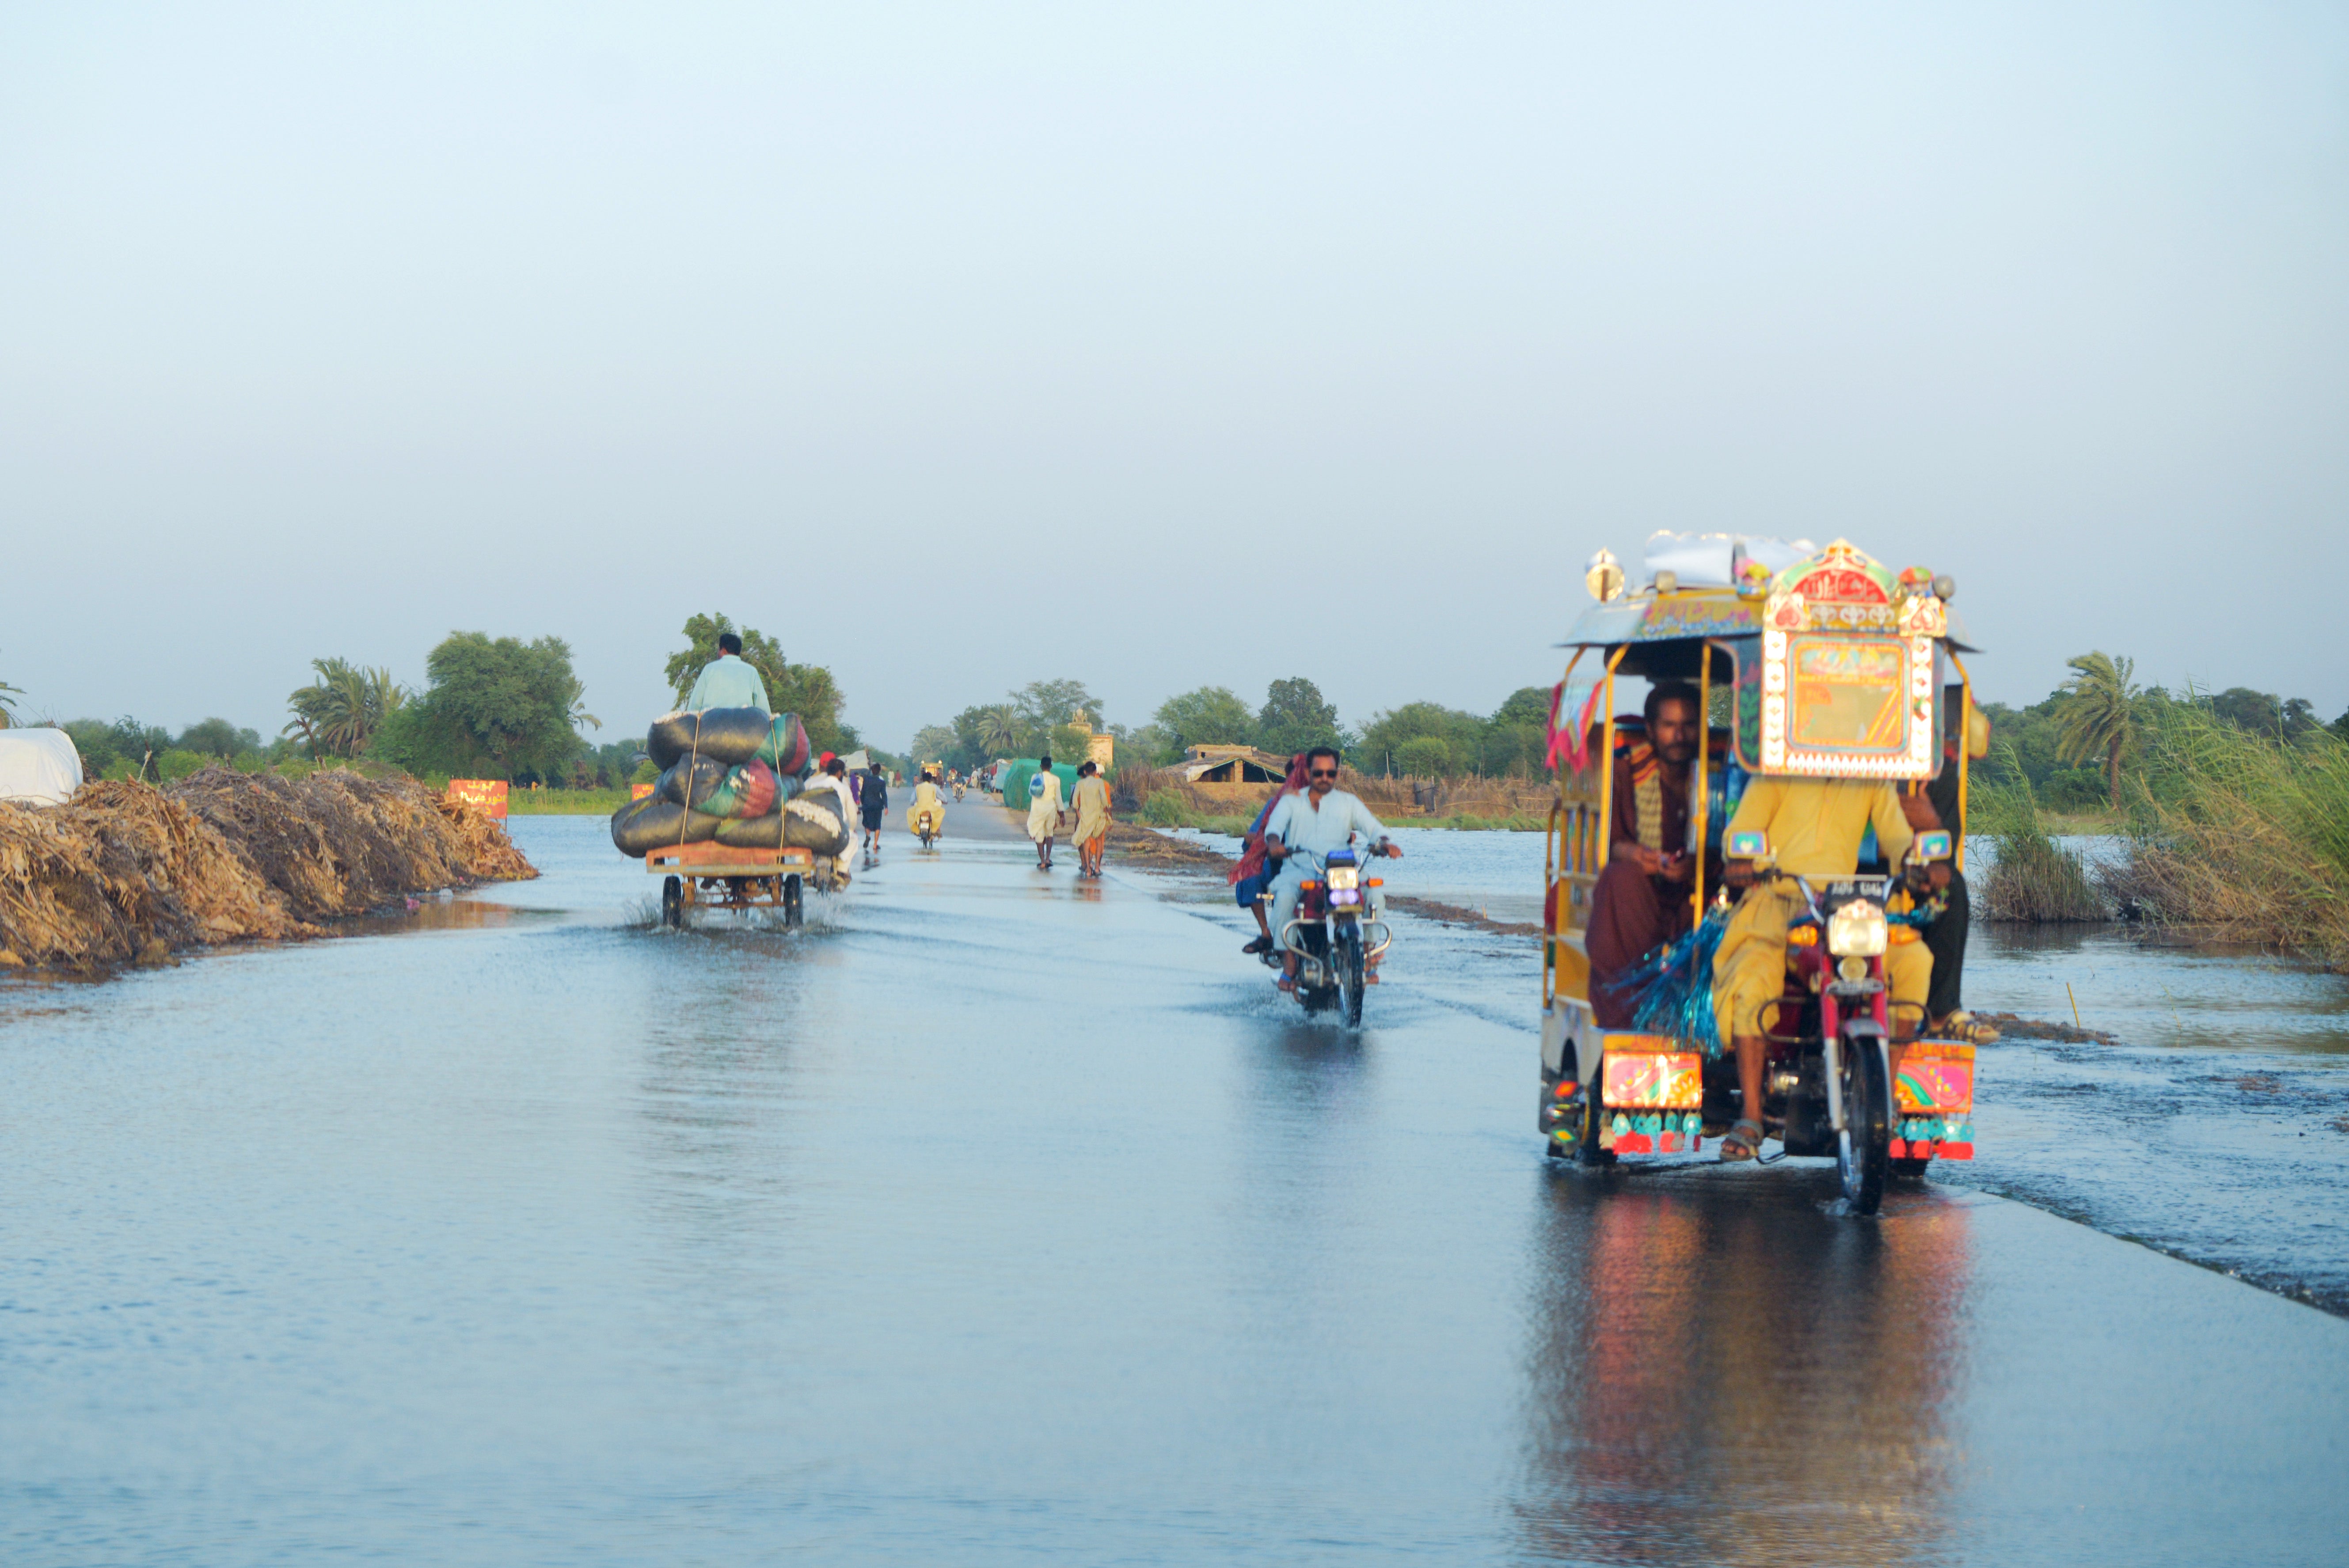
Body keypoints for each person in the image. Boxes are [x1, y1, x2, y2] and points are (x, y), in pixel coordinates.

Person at [1713, 775, 1937, 1162]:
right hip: (1777, 899)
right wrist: (1742, 862)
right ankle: (1751, 1115)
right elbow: (1740, 832)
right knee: (1753, 976)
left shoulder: (1871, 781)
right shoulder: (1775, 775)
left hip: (1843, 907)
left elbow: (1897, 838)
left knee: (1915, 960)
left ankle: (1886, 1093)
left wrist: (1916, 865)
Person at [1586, 683, 1718, 1027]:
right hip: (1645, 891)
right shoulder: (1628, 771)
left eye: (1688, 725)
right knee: (1621, 878)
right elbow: (1613, 842)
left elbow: (1736, 844)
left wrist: (1698, 866)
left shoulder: (1717, 776)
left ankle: (1707, 1009)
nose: (1679, 735)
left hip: (1697, 892)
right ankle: (1636, 1006)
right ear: (1651, 730)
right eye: (1669, 725)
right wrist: (1639, 855)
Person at [1262, 747, 1402, 993]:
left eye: (1330, 773)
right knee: (1284, 898)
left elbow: (1374, 828)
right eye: (1318, 773)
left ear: (1337, 774)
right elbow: (1274, 829)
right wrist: (1275, 844)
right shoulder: (1291, 801)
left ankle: (1368, 955)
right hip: (1300, 868)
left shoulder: (1349, 803)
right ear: (1308, 772)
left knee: (1375, 895)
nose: (1324, 778)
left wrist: (1383, 844)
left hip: (1342, 871)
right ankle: (1290, 963)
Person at [1229, 753, 1311, 955]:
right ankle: (1267, 933)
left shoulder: (1327, 801)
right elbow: (1258, 834)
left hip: (1315, 862)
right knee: (1251, 873)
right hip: (1283, 861)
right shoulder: (1277, 803)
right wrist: (1255, 839)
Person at [683, 631, 772, 713]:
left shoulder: (709, 669)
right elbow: (762, 703)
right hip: (743, 722)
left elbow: (696, 702)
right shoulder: (752, 671)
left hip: (711, 722)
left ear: (723, 649)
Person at [1069, 761, 1111, 877]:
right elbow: (1104, 799)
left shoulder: (1080, 783)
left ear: (1084, 772)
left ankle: (1088, 869)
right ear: (1095, 772)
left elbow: (1074, 801)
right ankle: (1097, 868)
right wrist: (1107, 811)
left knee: (1086, 842)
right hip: (1098, 816)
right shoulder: (1100, 783)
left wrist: (1078, 812)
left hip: (1085, 816)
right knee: (1098, 842)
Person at [1026, 753, 1064, 870]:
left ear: (1041, 766)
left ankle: (1042, 861)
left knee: (1039, 835)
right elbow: (1058, 797)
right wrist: (1062, 814)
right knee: (1050, 834)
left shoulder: (1035, 777)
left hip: (1038, 809)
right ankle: (1048, 859)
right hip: (1051, 809)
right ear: (1051, 766)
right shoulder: (1056, 780)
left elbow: (1030, 792)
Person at [908, 769, 946, 841]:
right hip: (931, 808)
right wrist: (945, 801)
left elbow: (912, 801)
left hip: (920, 809)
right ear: (931, 779)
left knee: (910, 812)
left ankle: (916, 830)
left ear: (922, 779)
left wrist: (914, 803)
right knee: (942, 811)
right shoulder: (934, 787)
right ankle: (936, 830)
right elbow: (942, 797)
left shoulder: (918, 787)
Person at [861, 760, 889, 853]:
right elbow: (884, 795)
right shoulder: (882, 783)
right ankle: (875, 845)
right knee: (877, 825)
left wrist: (863, 803)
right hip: (877, 806)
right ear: (880, 771)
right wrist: (886, 807)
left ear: (872, 771)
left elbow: (863, 793)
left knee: (867, 823)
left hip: (867, 805)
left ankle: (868, 836)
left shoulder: (866, 780)